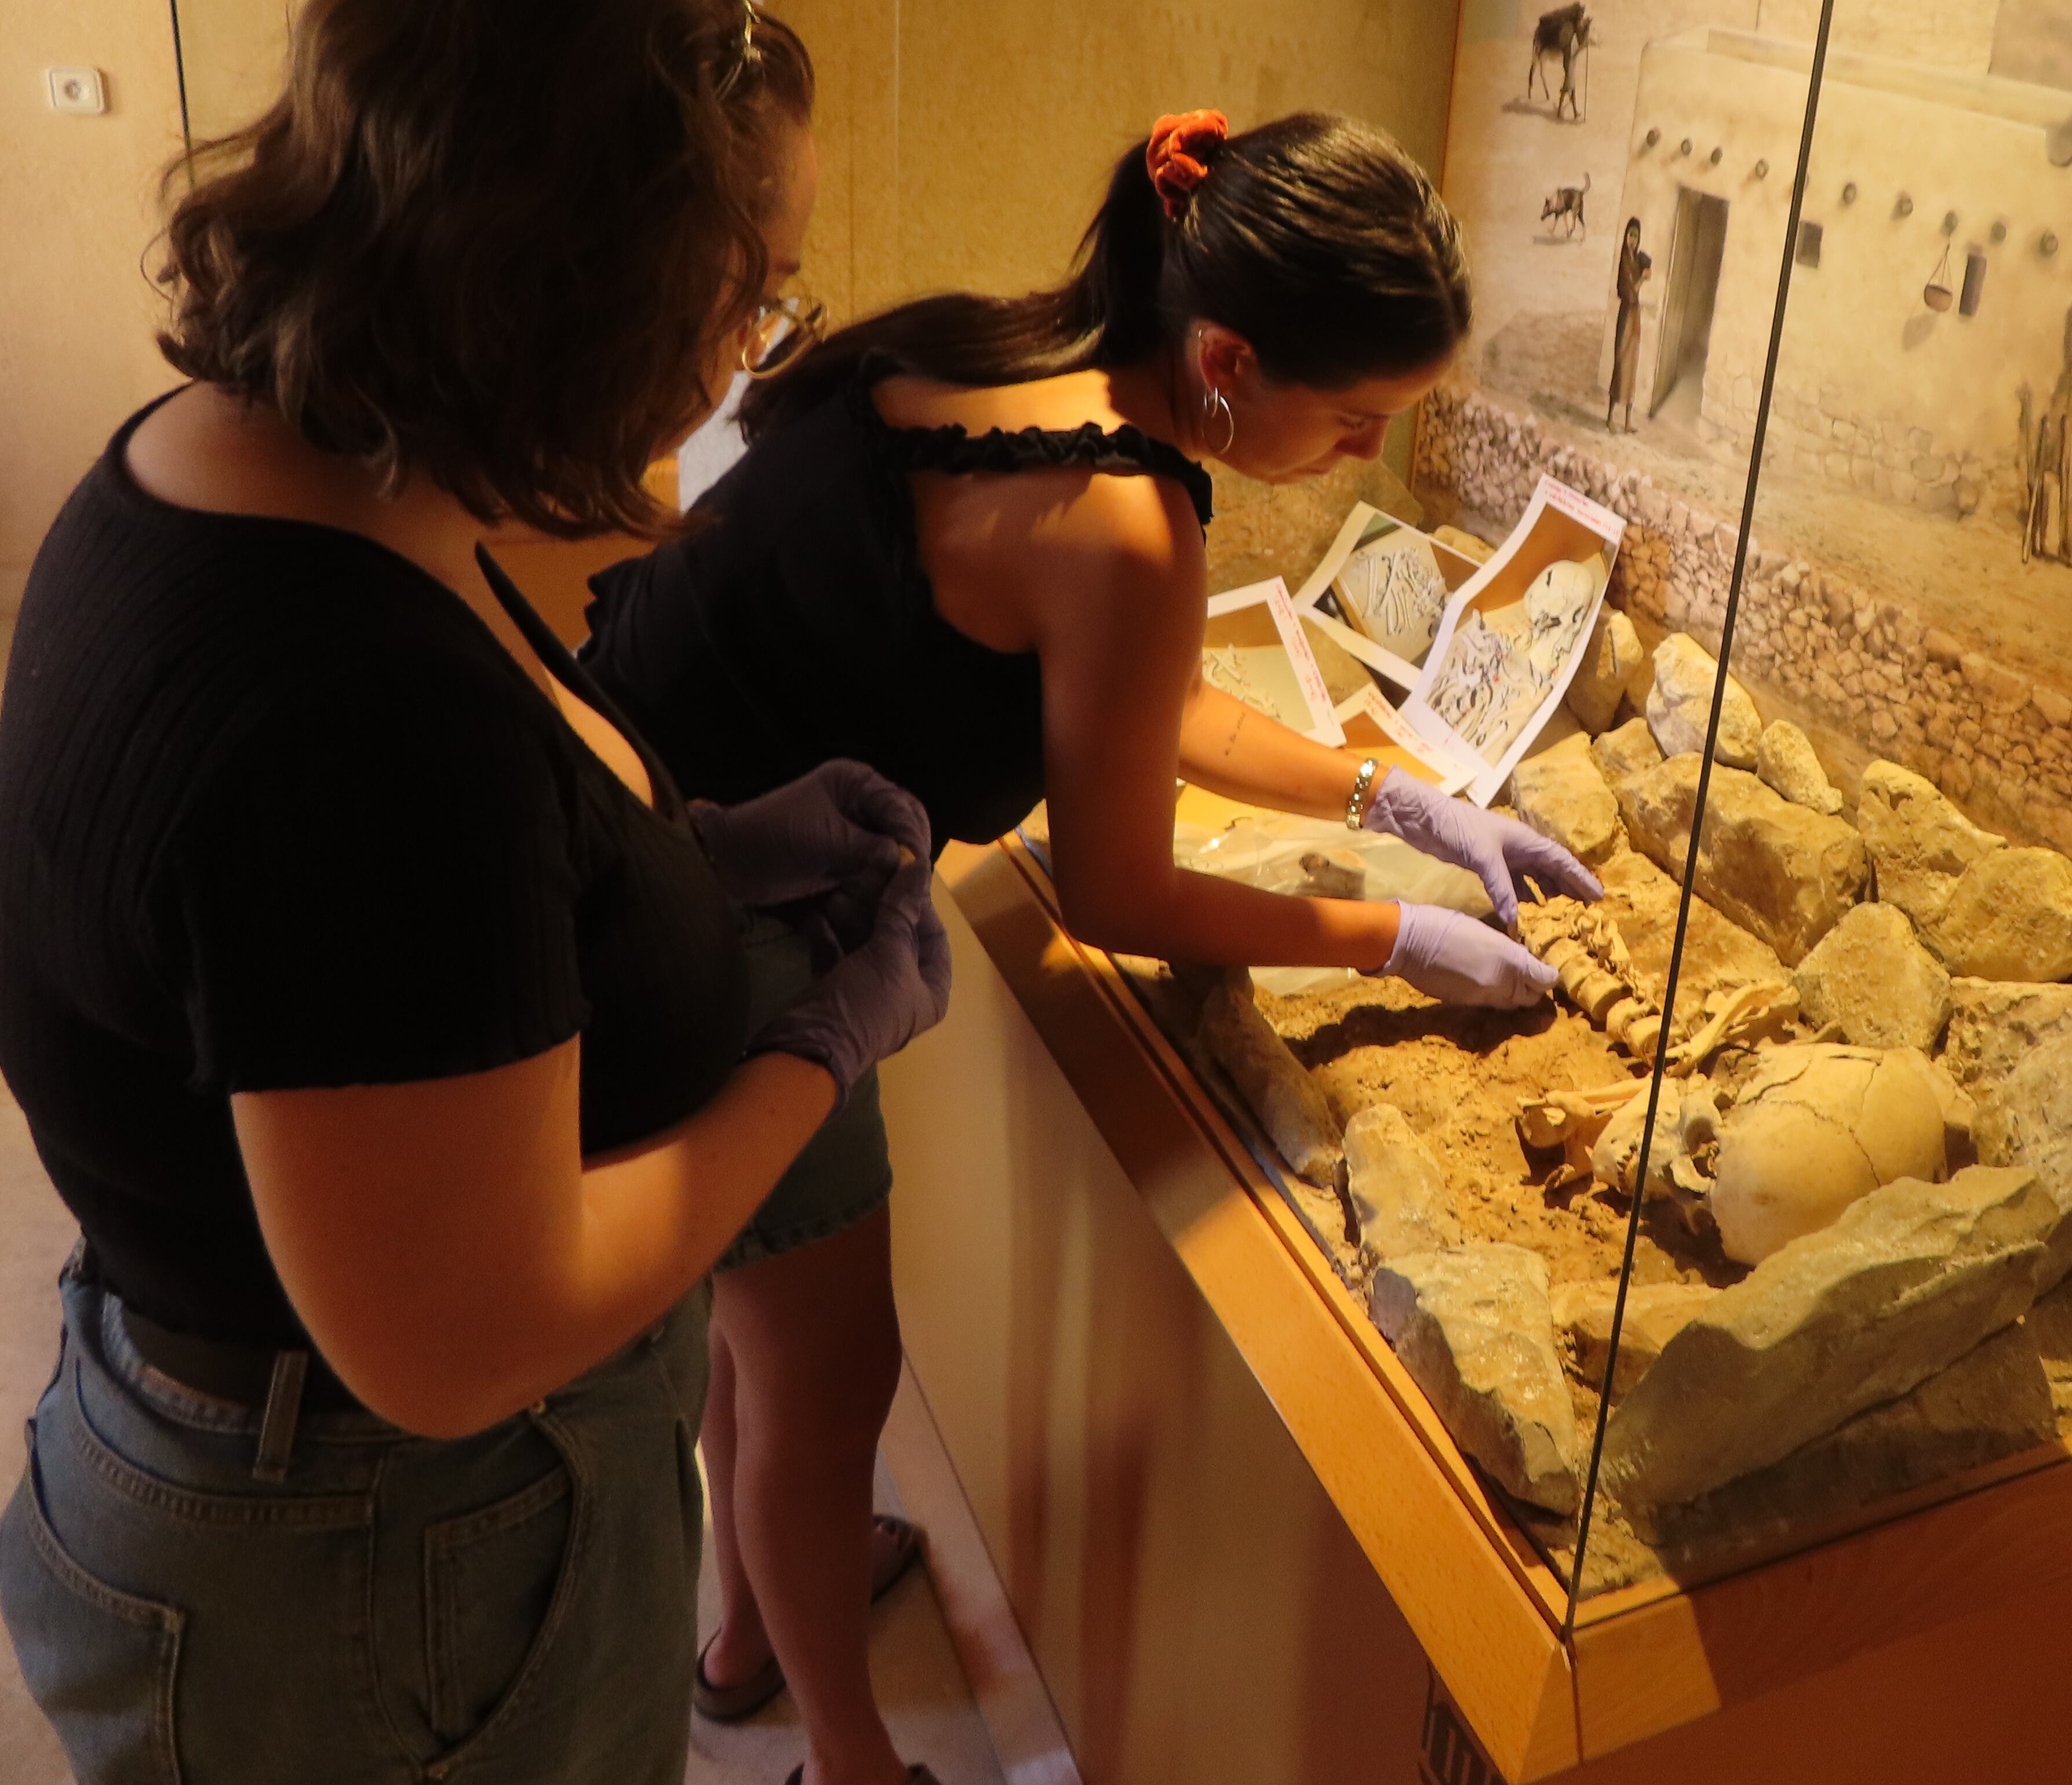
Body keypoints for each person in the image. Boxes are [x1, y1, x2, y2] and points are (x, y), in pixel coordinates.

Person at [0, 0, 956, 1785]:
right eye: (753, 292)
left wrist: (693, 854)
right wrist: (814, 1050)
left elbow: (399, 941)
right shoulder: (347, 718)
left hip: (244, 1450)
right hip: (373, 1555)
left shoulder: (240, 460)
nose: (753, 348)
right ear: (575, 285)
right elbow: (459, 1338)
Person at [578, 107, 1587, 1785]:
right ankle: (848, 1751)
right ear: (1227, 357)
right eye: (1351, 416)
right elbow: (1121, 891)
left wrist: (1392, 789)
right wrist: (1394, 938)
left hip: (653, 824)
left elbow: (1148, 698)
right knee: (832, 1382)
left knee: (763, 1337)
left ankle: (753, 1628)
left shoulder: (997, 358)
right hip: (723, 931)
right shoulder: (1124, 519)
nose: (1354, 455)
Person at [1606, 215, 1652, 431]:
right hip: (1626, 313)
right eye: (1630, 235)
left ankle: (1626, 421)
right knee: (1621, 364)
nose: (1632, 240)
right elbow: (1629, 290)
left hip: (1635, 314)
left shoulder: (1637, 259)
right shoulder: (1625, 261)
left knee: (1632, 365)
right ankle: (1610, 418)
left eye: (1635, 236)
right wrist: (1642, 278)